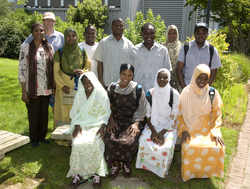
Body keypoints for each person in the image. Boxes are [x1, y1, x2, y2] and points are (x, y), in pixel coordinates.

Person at [177, 64, 225, 181]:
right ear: (194, 76)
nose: (202, 81)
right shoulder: (186, 92)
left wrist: (215, 132)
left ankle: (207, 172)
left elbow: (217, 115)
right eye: (199, 77)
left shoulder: (212, 93)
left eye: (205, 79)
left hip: (207, 129)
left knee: (217, 147)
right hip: (190, 129)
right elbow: (179, 114)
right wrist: (183, 130)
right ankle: (191, 173)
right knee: (190, 146)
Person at [64, 72, 111, 188]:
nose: (87, 84)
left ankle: (96, 174)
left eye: (89, 82)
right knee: (77, 143)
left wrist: (102, 127)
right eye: (84, 83)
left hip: (97, 125)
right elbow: (75, 113)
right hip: (82, 125)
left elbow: (106, 113)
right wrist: (77, 125)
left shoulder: (101, 94)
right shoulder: (79, 96)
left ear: (94, 81)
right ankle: (77, 174)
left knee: (96, 142)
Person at [104, 64, 147, 180]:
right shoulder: (112, 88)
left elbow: (142, 109)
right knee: (109, 138)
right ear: (119, 74)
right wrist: (111, 121)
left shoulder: (137, 89)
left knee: (130, 141)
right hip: (116, 120)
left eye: (130, 75)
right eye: (124, 74)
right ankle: (117, 165)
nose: (126, 77)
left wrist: (136, 123)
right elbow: (108, 107)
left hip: (132, 121)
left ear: (133, 76)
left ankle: (126, 164)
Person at [136, 68, 180, 178]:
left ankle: (161, 170)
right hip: (153, 124)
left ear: (168, 79)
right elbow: (148, 113)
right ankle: (146, 166)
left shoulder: (174, 94)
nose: (162, 79)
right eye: (159, 77)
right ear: (156, 78)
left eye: (165, 77)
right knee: (143, 141)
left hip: (169, 125)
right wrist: (154, 131)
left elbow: (174, 115)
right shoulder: (150, 93)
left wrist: (162, 133)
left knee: (167, 146)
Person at [18, 23, 54, 147]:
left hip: (46, 88)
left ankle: (42, 136)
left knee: (44, 113)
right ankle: (34, 138)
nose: (39, 32)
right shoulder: (26, 47)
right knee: (33, 113)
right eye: (36, 30)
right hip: (32, 87)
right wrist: (24, 91)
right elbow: (22, 69)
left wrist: (53, 87)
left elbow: (52, 68)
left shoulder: (49, 47)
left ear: (44, 32)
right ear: (32, 33)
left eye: (41, 30)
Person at [53, 27, 91, 129]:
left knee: (78, 108)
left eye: (73, 35)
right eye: (68, 36)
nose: (71, 38)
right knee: (64, 109)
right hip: (64, 85)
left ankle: (77, 134)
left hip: (79, 85)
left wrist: (83, 71)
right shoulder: (59, 52)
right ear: (65, 37)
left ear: (77, 37)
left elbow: (88, 66)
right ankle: (62, 136)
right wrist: (62, 86)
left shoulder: (82, 51)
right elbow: (56, 72)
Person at [127, 23, 172, 92]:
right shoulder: (134, 50)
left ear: (155, 33)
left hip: (157, 92)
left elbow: (167, 71)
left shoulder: (163, 50)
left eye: (151, 33)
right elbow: (128, 72)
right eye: (146, 33)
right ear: (141, 33)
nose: (149, 36)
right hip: (137, 92)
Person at [177, 22, 221, 89]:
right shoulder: (186, 47)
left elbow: (214, 72)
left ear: (207, 34)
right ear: (194, 34)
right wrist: (184, 88)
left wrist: (206, 88)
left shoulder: (212, 50)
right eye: (198, 33)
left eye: (203, 33)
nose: (200, 35)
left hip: (203, 89)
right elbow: (179, 70)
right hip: (187, 86)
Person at [92, 18, 134, 89]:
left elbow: (132, 66)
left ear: (124, 27)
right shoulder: (103, 43)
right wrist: (101, 81)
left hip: (123, 85)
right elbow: (100, 63)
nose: (118, 27)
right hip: (106, 84)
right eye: (116, 25)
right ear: (111, 27)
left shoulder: (129, 45)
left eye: (121, 25)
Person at [162, 25, 182, 91]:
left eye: (174, 33)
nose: (172, 35)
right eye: (170, 33)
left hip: (177, 79)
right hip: (164, 78)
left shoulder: (182, 47)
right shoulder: (162, 47)